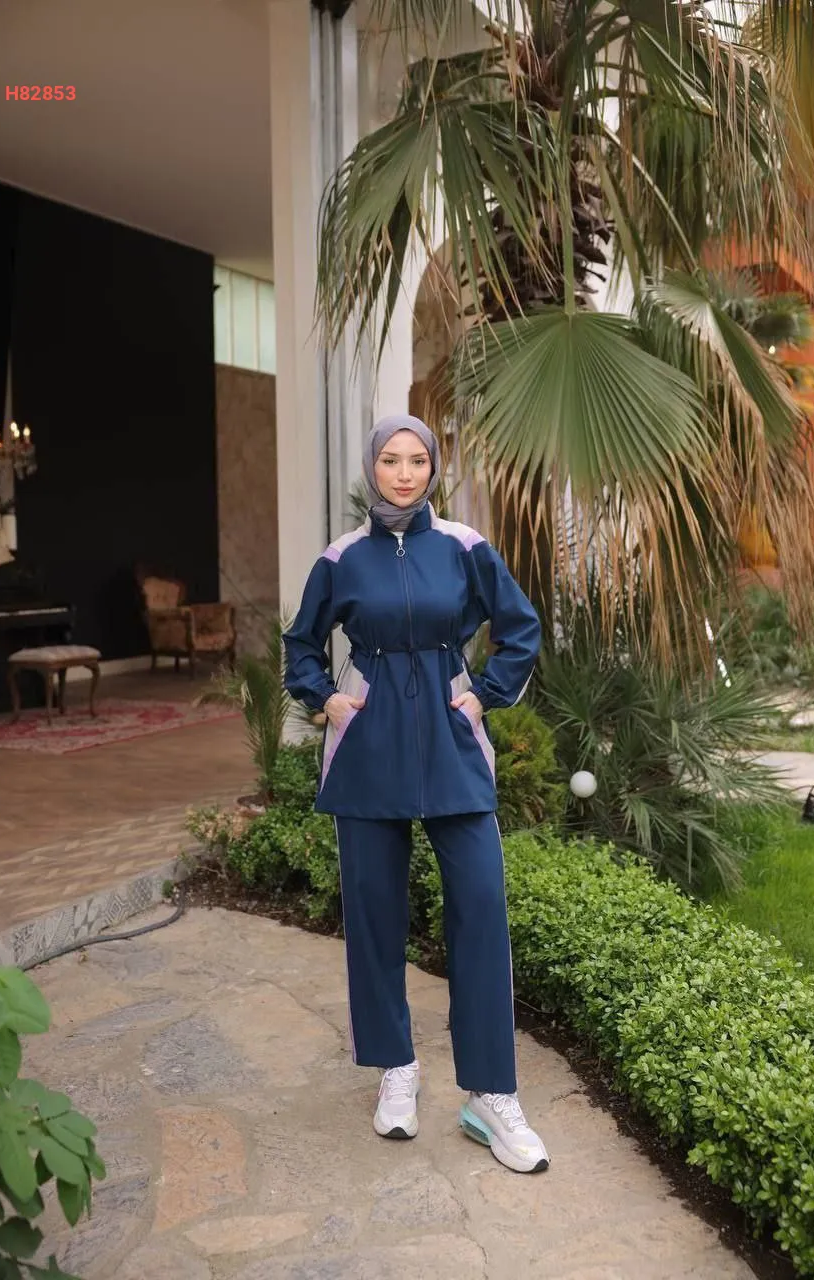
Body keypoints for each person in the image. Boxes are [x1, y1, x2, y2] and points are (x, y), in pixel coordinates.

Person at [283, 413, 549, 1174]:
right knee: (373, 916)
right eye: (391, 460)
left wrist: (483, 695)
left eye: (418, 460)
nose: (404, 474)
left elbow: (520, 626)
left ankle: (491, 1094)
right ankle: (396, 1069)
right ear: (373, 468)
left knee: (481, 907)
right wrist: (325, 699)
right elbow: (301, 644)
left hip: (451, 744)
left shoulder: (463, 546)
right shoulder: (341, 558)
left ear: (433, 467)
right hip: (367, 750)